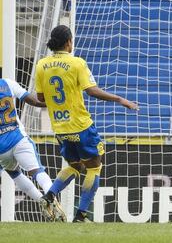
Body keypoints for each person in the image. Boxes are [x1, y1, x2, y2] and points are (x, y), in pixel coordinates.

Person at [35, 25, 138, 222]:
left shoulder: (41, 65)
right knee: (94, 167)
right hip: (81, 125)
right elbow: (92, 91)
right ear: (68, 42)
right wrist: (120, 99)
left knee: (75, 167)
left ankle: (49, 196)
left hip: (60, 127)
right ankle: (81, 216)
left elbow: (41, 98)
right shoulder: (77, 63)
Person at [0, 78, 65, 221]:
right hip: (18, 139)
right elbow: (34, 101)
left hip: (1, 150)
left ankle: (40, 200)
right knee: (37, 171)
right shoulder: (7, 84)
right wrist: (56, 104)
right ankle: (52, 199)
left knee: (14, 173)